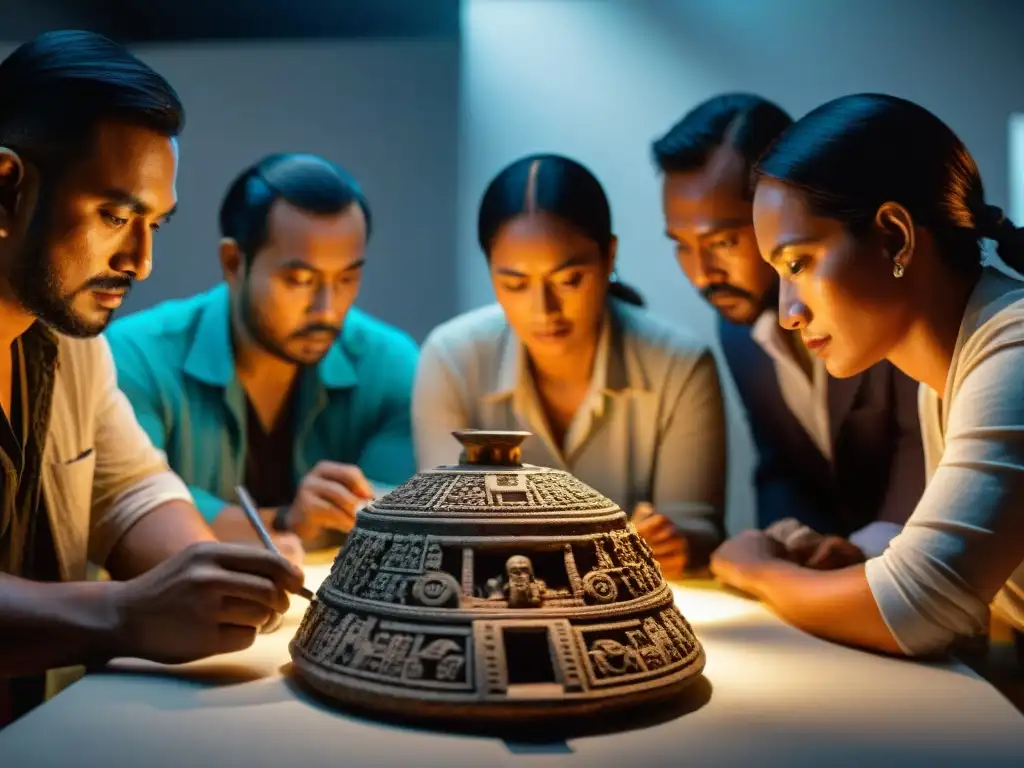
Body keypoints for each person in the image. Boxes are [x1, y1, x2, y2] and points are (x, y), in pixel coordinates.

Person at [0, 31, 303, 728]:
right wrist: (127, 613)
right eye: (115, 216)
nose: (140, 261)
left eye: (155, 225)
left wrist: (209, 579)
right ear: (6, 187)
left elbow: (130, 489)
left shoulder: (68, 340)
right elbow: (129, 608)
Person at [710, 93, 1024, 658]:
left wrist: (752, 569)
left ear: (894, 236)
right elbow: (959, 578)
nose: (788, 311)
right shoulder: (953, 369)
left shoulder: (1014, 350)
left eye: (799, 263)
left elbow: (918, 608)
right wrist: (864, 563)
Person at [413, 153, 726, 576]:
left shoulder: (679, 365)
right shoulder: (451, 358)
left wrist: (674, 540)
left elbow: (698, 527)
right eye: (515, 283)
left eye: (568, 280)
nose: (545, 309)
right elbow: (445, 527)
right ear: (490, 271)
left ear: (609, 257)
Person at [652, 94, 925, 566]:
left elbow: (921, 446)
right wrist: (785, 546)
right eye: (682, 245)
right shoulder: (735, 323)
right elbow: (782, 463)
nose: (702, 274)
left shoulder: (881, 296)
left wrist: (858, 555)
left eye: (723, 241)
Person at [105, 153, 419, 558]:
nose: (326, 308)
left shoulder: (390, 365)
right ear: (234, 263)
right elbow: (125, 505)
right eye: (299, 280)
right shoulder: (136, 356)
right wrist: (288, 521)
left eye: (347, 278)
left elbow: (400, 522)